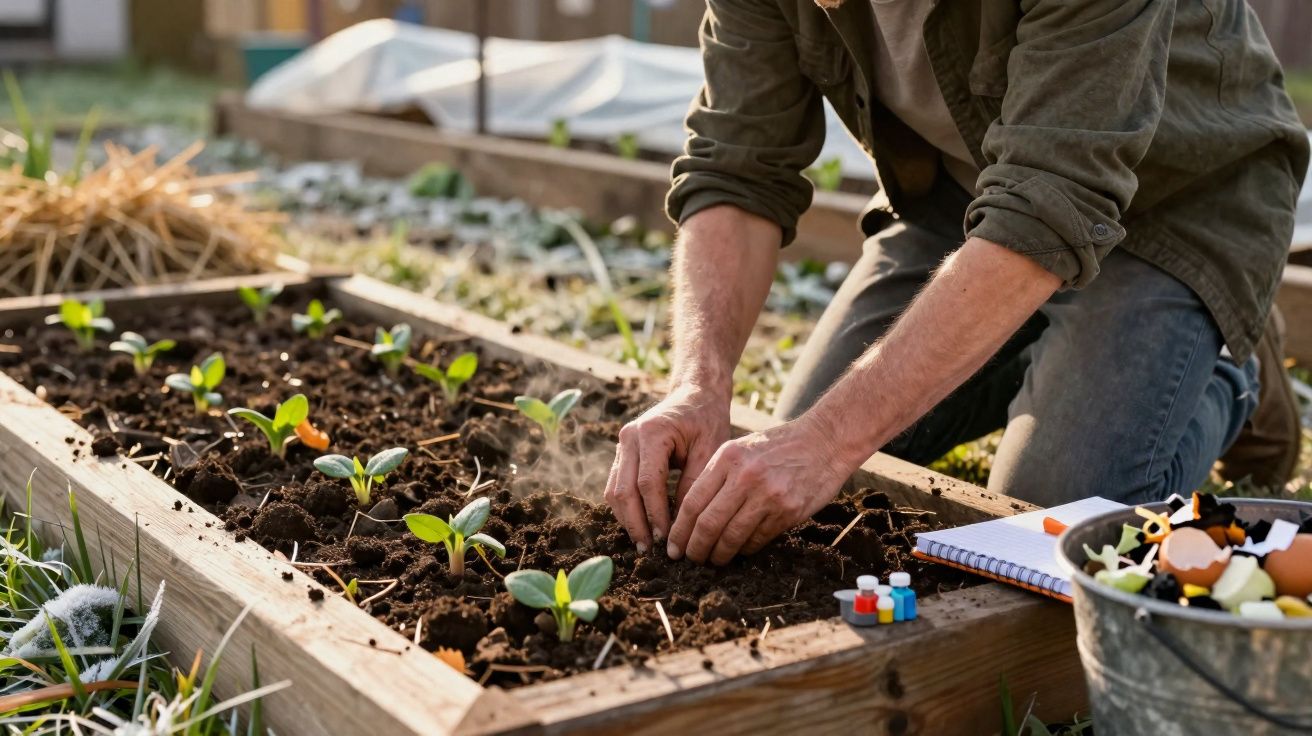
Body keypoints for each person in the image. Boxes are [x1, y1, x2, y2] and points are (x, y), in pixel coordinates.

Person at [603, 0, 1309, 566]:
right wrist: (700, 384)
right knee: (813, 460)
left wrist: (826, 441)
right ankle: (1030, 336)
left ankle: (1228, 367)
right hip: (967, 200)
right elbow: (737, 167)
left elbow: (1049, 203)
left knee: (1054, 517)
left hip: (1174, 206)